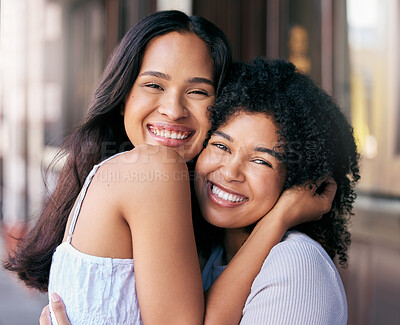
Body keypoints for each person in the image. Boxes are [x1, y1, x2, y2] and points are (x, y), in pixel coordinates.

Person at [6, 11, 332, 325]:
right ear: (123, 97)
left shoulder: (111, 177)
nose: (173, 109)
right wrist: (280, 217)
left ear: (219, 108)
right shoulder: (155, 168)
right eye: (154, 85)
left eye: (198, 92)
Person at [194, 59, 359, 324]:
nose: (230, 173)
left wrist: (281, 216)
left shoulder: (296, 262)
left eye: (261, 161)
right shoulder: (213, 255)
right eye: (221, 146)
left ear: (296, 179)